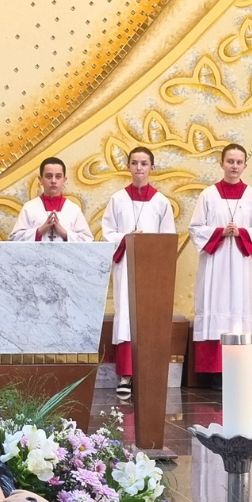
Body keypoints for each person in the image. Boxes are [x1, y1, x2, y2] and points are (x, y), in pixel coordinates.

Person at [188, 144, 252, 388]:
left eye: (239, 162)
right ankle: (212, 372)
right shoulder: (208, 195)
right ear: (222, 163)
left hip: (241, 264)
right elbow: (195, 228)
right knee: (213, 304)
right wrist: (220, 232)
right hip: (215, 264)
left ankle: (236, 370)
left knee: (238, 306)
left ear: (245, 165)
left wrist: (242, 232)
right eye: (230, 161)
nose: (234, 166)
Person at [100, 146, 177, 398]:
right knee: (126, 315)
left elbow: (168, 238)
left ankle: (147, 375)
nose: (139, 168)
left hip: (150, 270)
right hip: (126, 266)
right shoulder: (117, 199)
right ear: (128, 167)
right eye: (134, 163)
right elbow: (107, 233)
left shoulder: (161, 202)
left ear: (152, 167)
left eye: (144, 163)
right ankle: (126, 375)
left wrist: (149, 246)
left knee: (148, 318)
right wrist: (127, 237)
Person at [9, 157, 90, 242]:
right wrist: (39, 231)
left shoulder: (73, 209)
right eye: (49, 176)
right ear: (40, 180)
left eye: (58, 176)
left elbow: (87, 240)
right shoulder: (29, 207)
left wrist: (64, 233)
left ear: (64, 180)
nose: (53, 181)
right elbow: (15, 238)